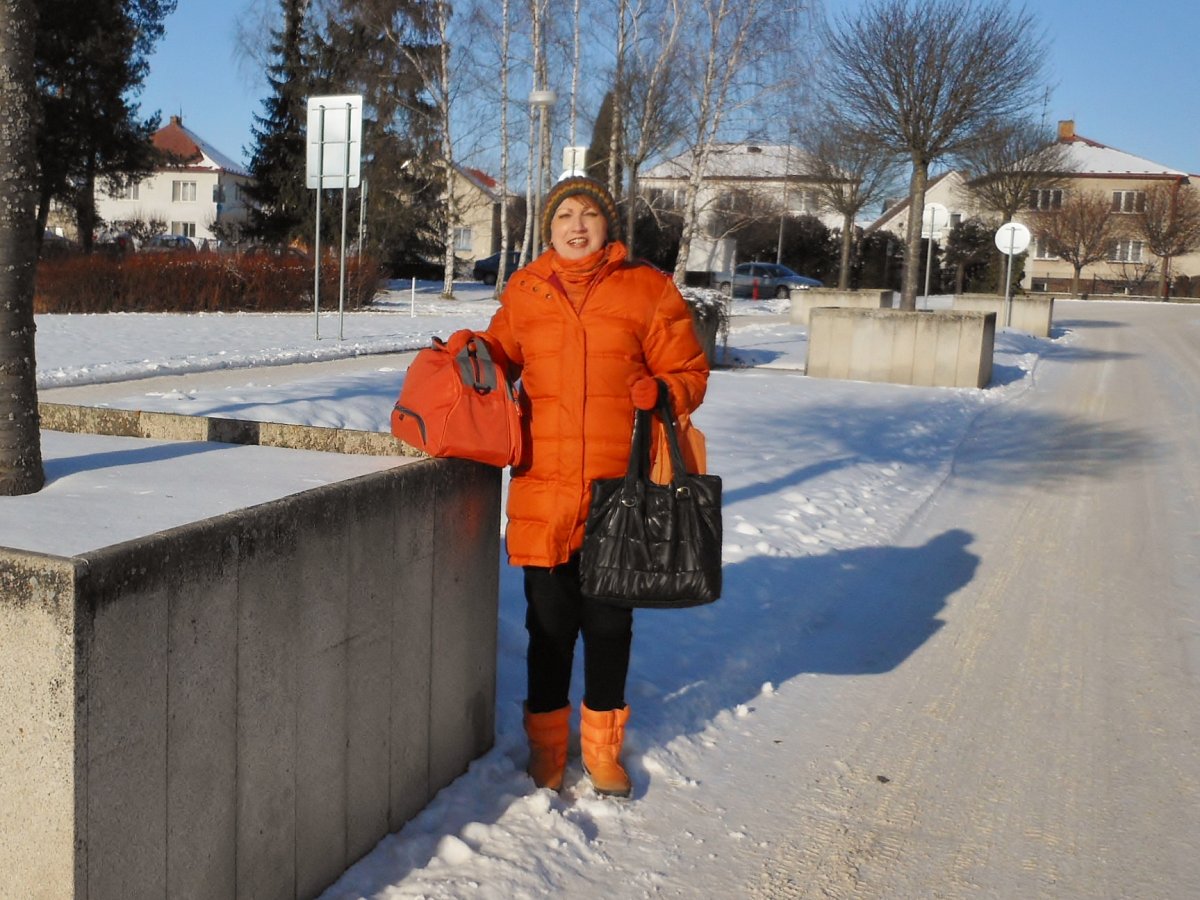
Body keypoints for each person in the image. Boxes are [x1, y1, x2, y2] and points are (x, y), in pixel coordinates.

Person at [475, 176, 709, 798]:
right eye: (564, 217)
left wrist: (663, 392)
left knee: (609, 626)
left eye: (589, 215)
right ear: (548, 230)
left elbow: (688, 369)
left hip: (619, 490)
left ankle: (603, 751)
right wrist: (469, 360)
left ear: (609, 225)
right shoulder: (525, 292)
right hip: (543, 488)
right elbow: (498, 358)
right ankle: (548, 750)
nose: (576, 226)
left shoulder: (647, 289)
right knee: (547, 626)